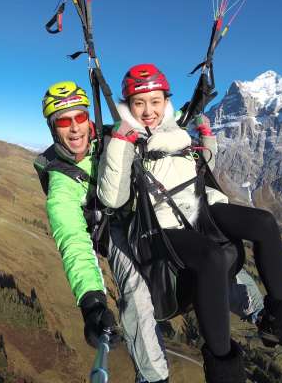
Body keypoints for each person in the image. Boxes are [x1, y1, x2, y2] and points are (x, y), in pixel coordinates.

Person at [97, 64, 282, 383]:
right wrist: (120, 141)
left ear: (166, 101)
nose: (148, 111)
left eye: (155, 101)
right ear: (128, 105)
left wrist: (207, 139)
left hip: (197, 210)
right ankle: (224, 371)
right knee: (212, 257)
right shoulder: (122, 137)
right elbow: (113, 199)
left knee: (264, 223)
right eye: (139, 103)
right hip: (157, 227)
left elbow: (199, 170)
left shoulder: (176, 129)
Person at [36, 80, 264, 383]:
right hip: (115, 229)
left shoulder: (109, 133)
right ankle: (153, 375)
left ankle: (258, 310)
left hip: (148, 209)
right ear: (53, 128)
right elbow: (73, 242)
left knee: (211, 247)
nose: (75, 128)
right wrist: (91, 302)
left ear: (88, 117)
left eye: (79, 117)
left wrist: (192, 108)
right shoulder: (62, 185)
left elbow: (153, 118)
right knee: (135, 291)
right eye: (64, 122)